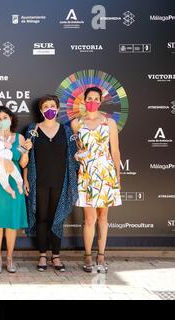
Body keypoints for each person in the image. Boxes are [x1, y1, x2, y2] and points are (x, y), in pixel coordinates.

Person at [24, 95, 79, 272]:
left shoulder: (66, 131)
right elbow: (26, 157)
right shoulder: (32, 130)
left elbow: (73, 157)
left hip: (60, 183)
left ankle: (56, 256)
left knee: (58, 219)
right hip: (38, 181)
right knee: (41, 218)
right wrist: (25, 178)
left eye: (52, 106)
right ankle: (42, 255)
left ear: (57, 108)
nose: (49, 109)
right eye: (46, 106)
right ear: (40, 110)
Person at [71, 87, 122, 273]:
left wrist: (117, 177)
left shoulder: (109, 123)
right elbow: (76, 149)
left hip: (106, 174)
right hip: (86, 174)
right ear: (84, 100)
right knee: (90, 218)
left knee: (103, 217)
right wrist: (77, 156)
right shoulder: (76, 123)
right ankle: (88, 256)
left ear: (100, 101)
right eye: (89, 98)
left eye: (96, 98)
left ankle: (101, 255)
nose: (92, 100)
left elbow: (115, 151)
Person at [0, 106, 32, 274]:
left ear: (11, 118)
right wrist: (2, 162)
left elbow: (23, 163)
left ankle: (10, 258)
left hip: (14, 179)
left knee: (11, 223)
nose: (3, 120)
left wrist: (26, 150)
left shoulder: (20, 138)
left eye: (5, 117)